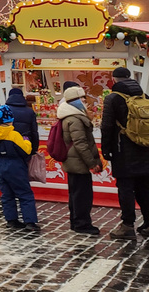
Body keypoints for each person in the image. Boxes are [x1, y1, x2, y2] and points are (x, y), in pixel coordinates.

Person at [101, 66, 149, 240]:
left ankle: (127, 225)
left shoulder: (113, 98)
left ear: (114, 80)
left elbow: (107, 126)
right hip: (146, 147)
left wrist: (106, 150)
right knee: (148, 187)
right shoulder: (144, 96)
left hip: (123, 150)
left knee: (126, 188)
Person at [57, 86, 103, 235]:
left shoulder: (72, 116)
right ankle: (82, 224)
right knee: (82, 195)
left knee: (76, 193)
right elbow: (81, 144)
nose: (84, 100)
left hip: (74, 162)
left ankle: (76, 222)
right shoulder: (74, 119)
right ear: (74, 101)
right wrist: (92, 163)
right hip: (78, 162)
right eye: (81, 98)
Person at [0, 104, 39, 232]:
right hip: (15, 166)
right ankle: (30, 221)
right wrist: (27, 141)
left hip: (0, 165)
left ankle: (11, 220)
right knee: (24, 193)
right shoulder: (14, 135)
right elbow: (26, 150)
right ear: (10, 120)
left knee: (7, 194)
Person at [5, 86, 40, 153]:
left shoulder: (4, 110)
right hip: (25, 145)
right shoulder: (30, 112)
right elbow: (34, 132)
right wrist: (34, 149)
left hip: (8, 145)